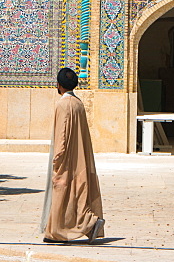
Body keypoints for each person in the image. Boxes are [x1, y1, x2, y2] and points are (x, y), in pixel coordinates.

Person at [40, 67, 105, 243]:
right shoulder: (78, 103)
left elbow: (62, 135)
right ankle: (82, 227)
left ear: (58, 85)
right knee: (75, 192)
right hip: (79, 156)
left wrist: (57, 159)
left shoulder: (63, 104)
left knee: (62, 191)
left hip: (67, 157)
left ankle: (65, 231)